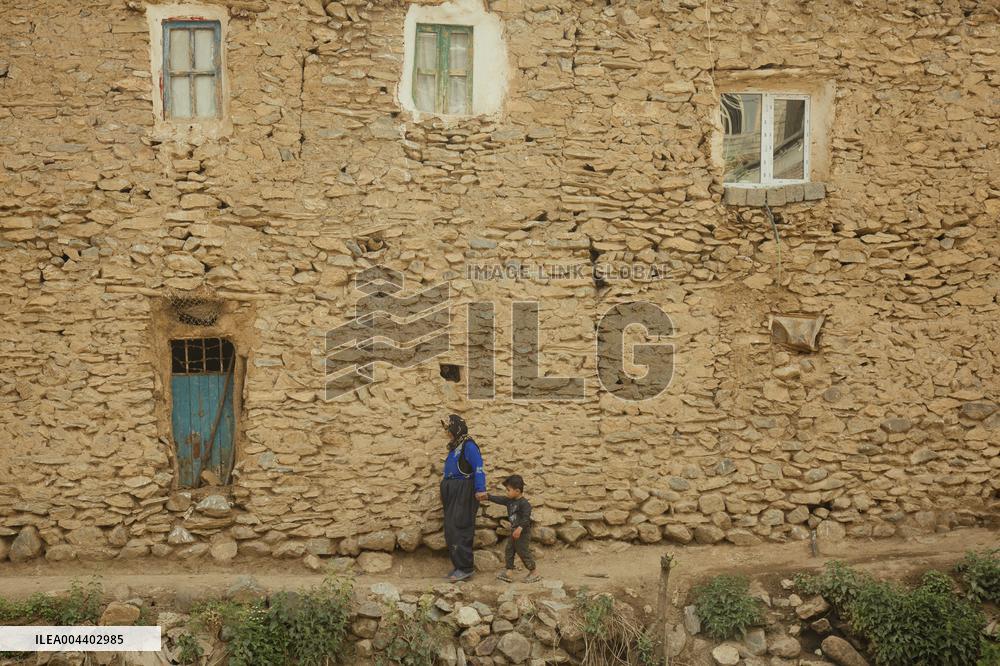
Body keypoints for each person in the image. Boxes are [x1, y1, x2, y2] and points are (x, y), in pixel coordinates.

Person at [440, 414, 487, 582]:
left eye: (449, 430)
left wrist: (480, 489)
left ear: (456, 428)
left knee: (460, 527)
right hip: (452, 492)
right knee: (451, 529)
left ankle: (465, 568)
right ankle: (458, 566)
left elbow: (478, 467)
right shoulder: (455, 446)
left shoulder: (469, 446)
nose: (447, 433)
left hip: (464, 491)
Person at [489, 474, 539, 583]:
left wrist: (519, 528)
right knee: (509, 550)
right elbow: (499, 499)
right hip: (514, 531)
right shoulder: (509, 500)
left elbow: (526, 519)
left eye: (508, 490)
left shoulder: (524, 504)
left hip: (522, 533)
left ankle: (534, 572)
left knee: (523, 551)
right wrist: (487, 496)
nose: (506, 492)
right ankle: (509, 571)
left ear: (517, 491)